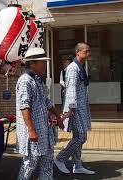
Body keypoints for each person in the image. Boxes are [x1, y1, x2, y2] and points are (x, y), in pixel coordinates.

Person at [15, 48, 60, 180]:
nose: (45, 65)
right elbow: (24, 107)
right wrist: (31, 130)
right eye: (42, 62)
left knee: (47, 161)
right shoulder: (25, 81)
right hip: (34, 131)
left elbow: (46, 101)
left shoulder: (38, 80)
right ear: (33, 63)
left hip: (44, 130)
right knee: (30, 163)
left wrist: (57, 116)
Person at [54, 42, 95, 175]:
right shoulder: (73, 68)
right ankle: (60, 158)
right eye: (86, 51)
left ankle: (77, 165)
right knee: (81, 137)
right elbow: (70, 89)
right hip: (75, 108)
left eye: (89, 51)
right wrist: (70, 109)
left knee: (79, 136)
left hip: (81, 107)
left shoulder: (80, 66)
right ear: (78, 52)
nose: (88, 53)